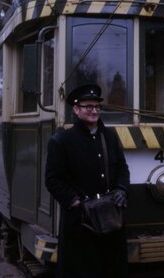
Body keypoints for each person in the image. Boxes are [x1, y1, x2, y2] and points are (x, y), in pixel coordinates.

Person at [45, 83, 130, 278]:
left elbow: (122, 168)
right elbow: (52, 180)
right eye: (88, 107)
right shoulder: (61, 141)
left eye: (97, 107)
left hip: (111, 222)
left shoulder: (109, 136)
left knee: (112, 269)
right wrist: (75, 202)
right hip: (80, 226)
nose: (94, 111)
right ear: (76, 109)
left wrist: (122, 190)